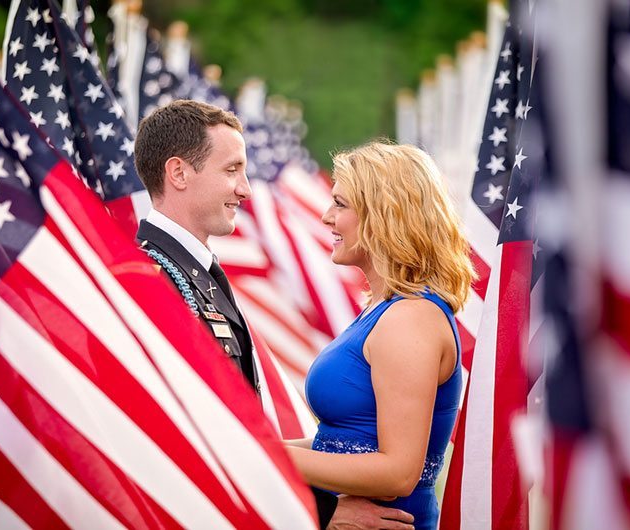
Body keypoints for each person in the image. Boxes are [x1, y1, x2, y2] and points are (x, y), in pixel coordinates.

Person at [133, 100, 415, 530]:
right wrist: (325, 513)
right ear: (178, 173)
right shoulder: (150, 281)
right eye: (232, 170)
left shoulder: (195, 271)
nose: (246, 189)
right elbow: (185, 435)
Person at [286, 141, 475, 530]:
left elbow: (397, 473)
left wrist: (261, 454)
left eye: (339, 204)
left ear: (383, 214)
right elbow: (341, 443)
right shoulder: (385, 308)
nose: (325, 216)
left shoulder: (410, 318)